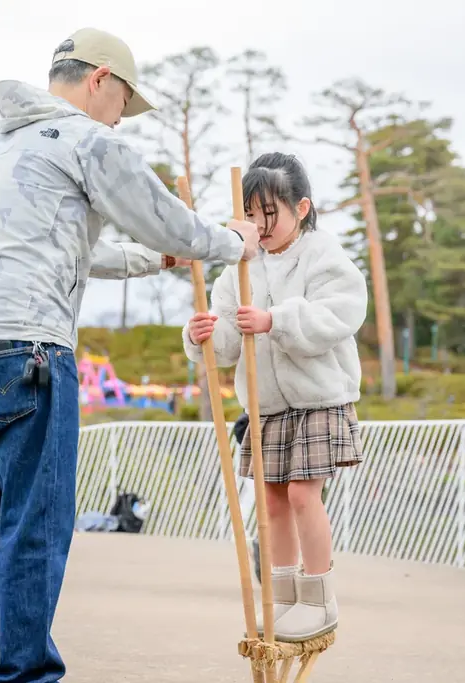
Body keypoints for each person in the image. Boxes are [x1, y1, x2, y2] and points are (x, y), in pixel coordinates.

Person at [0, 27, 260, 683]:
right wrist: (228, 240)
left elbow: (80, 250)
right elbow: (162, 216)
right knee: (38, 526)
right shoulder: (86, 137)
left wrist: (159, 258)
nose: (121, 119)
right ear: (100, 80)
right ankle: (25, 676)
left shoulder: (0, 149)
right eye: (123, 104)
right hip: (28, 347)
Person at [183, 152, 367, 643]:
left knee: (305, 492)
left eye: (271, 213)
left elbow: (343, 313)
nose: (261, 225)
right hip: (266, 404)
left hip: (319, 397)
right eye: (252, 214)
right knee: (271, 501)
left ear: (301, 208)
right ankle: (281, 598)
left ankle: (319, 598)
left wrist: (276, 320)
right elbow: (224, 343)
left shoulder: (324, 252)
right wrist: (203, 332)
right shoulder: (241, 265)